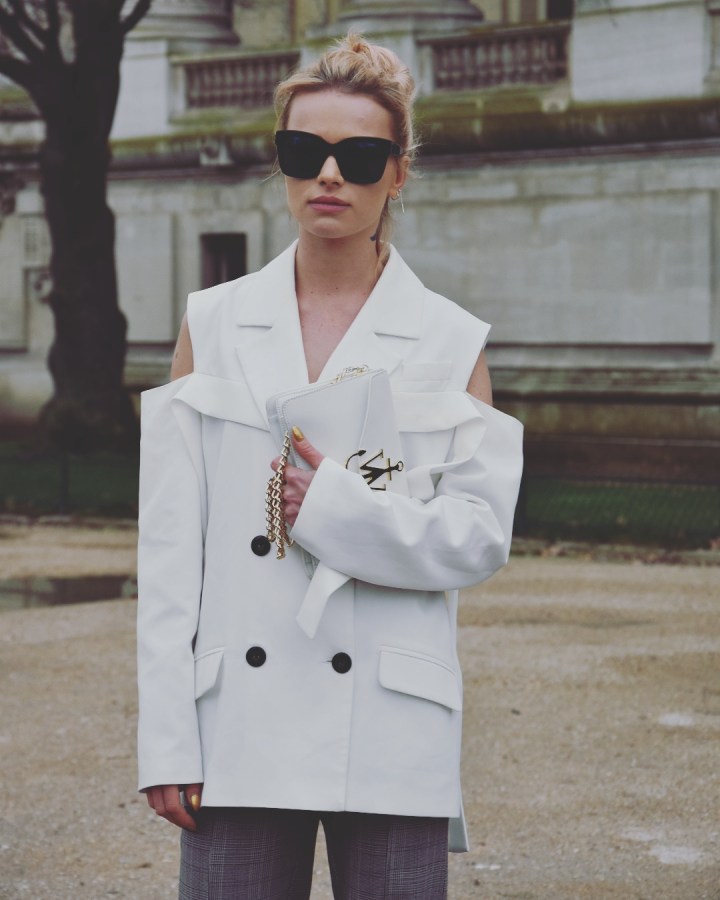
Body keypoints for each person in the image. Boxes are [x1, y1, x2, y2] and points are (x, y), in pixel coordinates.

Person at [136, 34, 523, 900]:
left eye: (360, 156)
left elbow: (478, 537)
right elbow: (169, 550)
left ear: (398, 172)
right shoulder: (214, 321)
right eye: (304, 150)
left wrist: (336, 510)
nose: (330, 175)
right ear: (281, 161)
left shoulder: (451, 338)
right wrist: (165, 738)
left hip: (391, 722)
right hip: (238, 721)